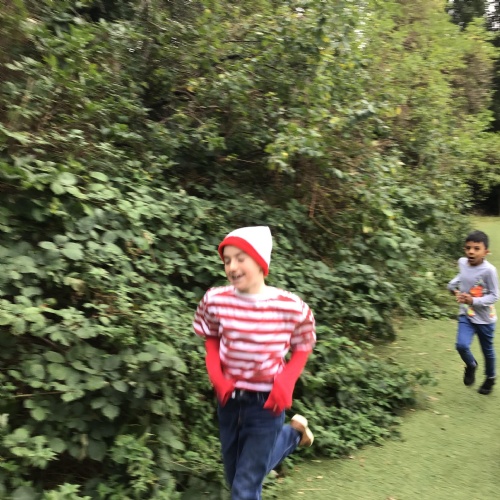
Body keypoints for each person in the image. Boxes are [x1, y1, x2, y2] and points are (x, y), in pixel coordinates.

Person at [193, 226, 316, 500]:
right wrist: (217, 378)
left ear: (261, 262)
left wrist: (286, 382)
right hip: (229, 402)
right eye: (227, 260)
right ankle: (293, 435)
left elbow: (303, 344)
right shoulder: (215, 300)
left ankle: (290, 434)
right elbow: (211, 338)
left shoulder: (289, 306)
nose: (232, 266)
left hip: (267, 403)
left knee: (245, 488)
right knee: (236, 477)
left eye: (240, 258)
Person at [447, 230, 499, 395]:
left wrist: (473, 301)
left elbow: (495, 295)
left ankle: (490, 378)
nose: (471, 252)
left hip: (485, 319)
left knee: (487, 351)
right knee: (461, 345)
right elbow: (462, 277)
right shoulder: (462, 262)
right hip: (467, 315)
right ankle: (471, 365)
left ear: (486, 252)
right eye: (468, 248)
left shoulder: (489, 270)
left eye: (476, 249)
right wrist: (453, 289)